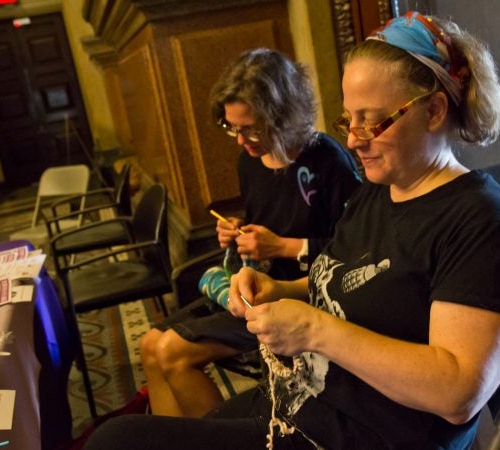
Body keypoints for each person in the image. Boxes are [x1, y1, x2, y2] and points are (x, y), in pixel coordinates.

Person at [85, 12, 500, 449]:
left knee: (117, 440)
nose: (352, 139)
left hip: (363, 437)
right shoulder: (379, 191)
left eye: (373, 120)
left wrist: (315, 330)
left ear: (433, 110)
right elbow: (351, 278)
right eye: (350, 119)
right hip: (304, 405)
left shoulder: (486, 222)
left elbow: (457, 392)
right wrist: (279, 289)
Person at [138, 48, 362, 418]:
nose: (241, 141)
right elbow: (271, 221)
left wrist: (284, 247)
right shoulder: (251, 160)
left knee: (172, 353)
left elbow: (356, 252)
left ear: (283, 116)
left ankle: (217, 443)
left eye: (250, 129)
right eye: (232, 128)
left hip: (300, 295)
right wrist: (240, 232)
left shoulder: (327, 160)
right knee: (149, 344)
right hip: (252, 287)